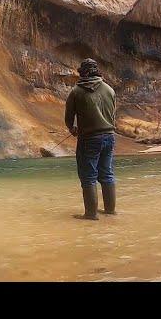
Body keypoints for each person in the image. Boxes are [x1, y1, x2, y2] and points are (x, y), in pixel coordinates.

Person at [64, 58, 117, 220]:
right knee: (107, 174)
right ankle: (109, 211)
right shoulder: (109, 90)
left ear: (82, 72)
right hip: (109, 136)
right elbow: (113, 115)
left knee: (88, 176)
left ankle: (91, 215)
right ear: (96, 71)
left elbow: (68, 118)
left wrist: (73, 129)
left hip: (89, 139)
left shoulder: (76, 92)